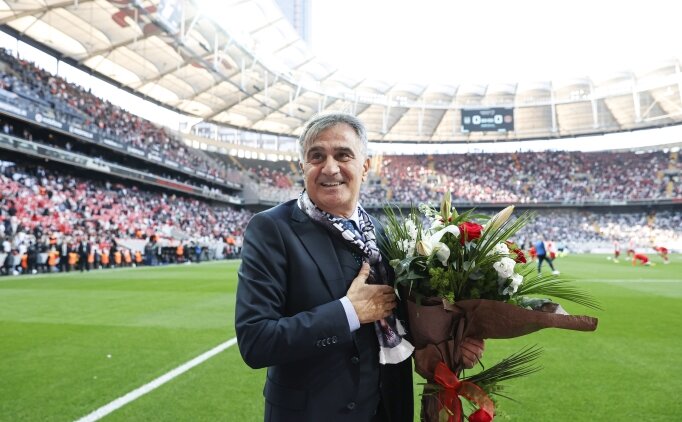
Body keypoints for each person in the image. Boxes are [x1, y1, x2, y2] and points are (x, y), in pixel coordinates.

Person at [235, 113, 483, 422]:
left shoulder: (385, 235)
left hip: (389, 410)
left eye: (343, 155)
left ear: (365, 167)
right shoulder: (272, 228)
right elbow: (256, 341)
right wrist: (348, 312)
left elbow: (406, 322)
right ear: (303, 167)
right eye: (316, 156)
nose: (329, 167)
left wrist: (451, 345)